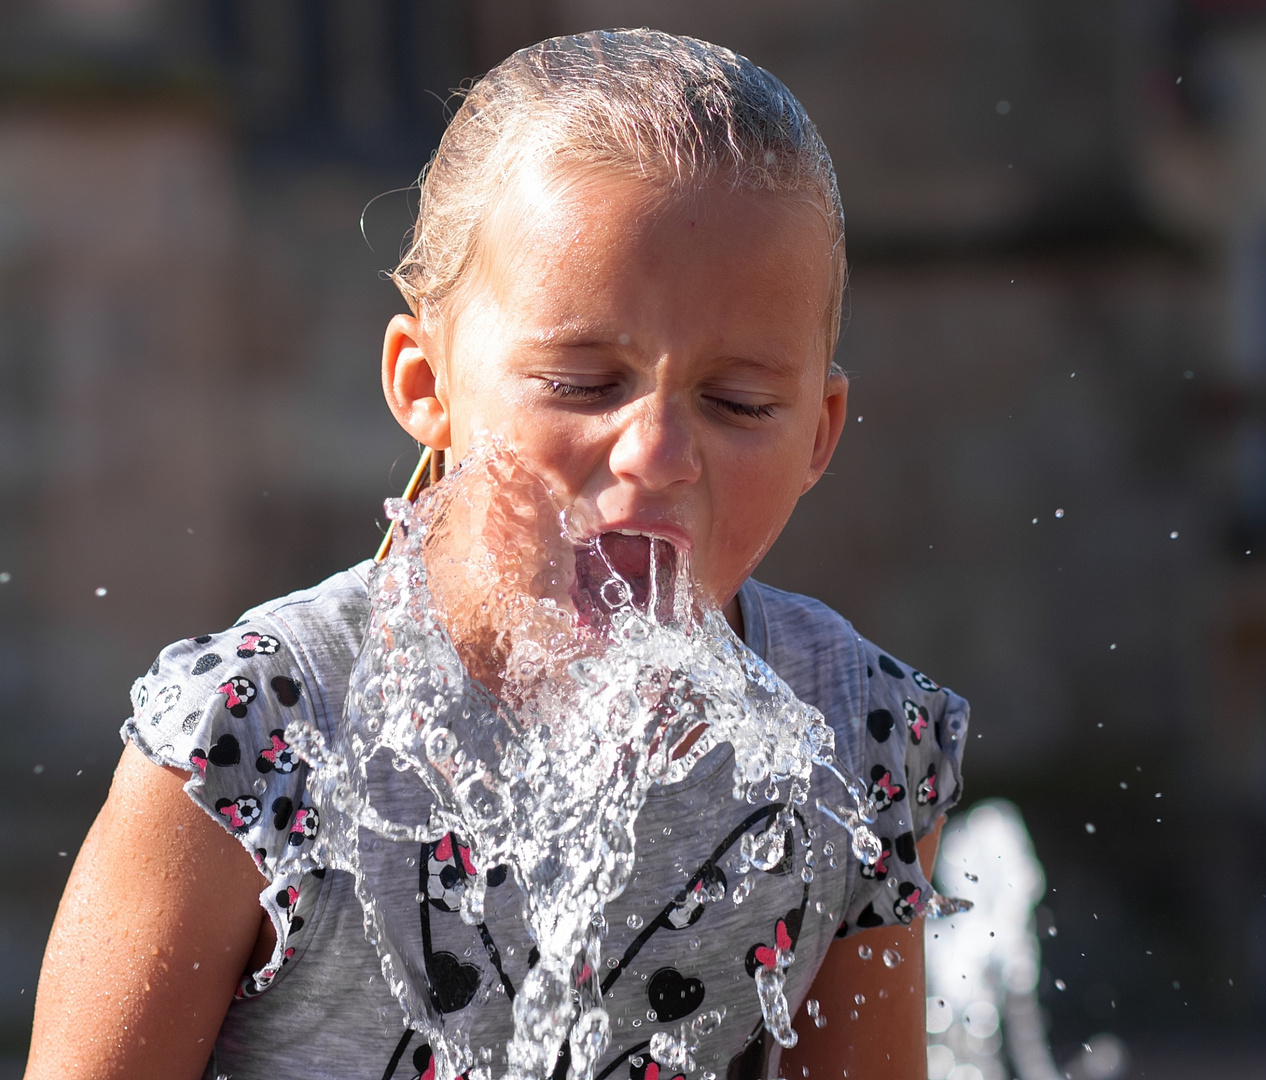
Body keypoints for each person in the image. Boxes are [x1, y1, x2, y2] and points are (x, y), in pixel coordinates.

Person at [26, 30, 967, 1080]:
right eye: (582, 384)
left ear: (821, 435)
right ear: (426, 382)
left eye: (739, 402)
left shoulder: (857, 741)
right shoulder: (254, 740)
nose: (658, 453)